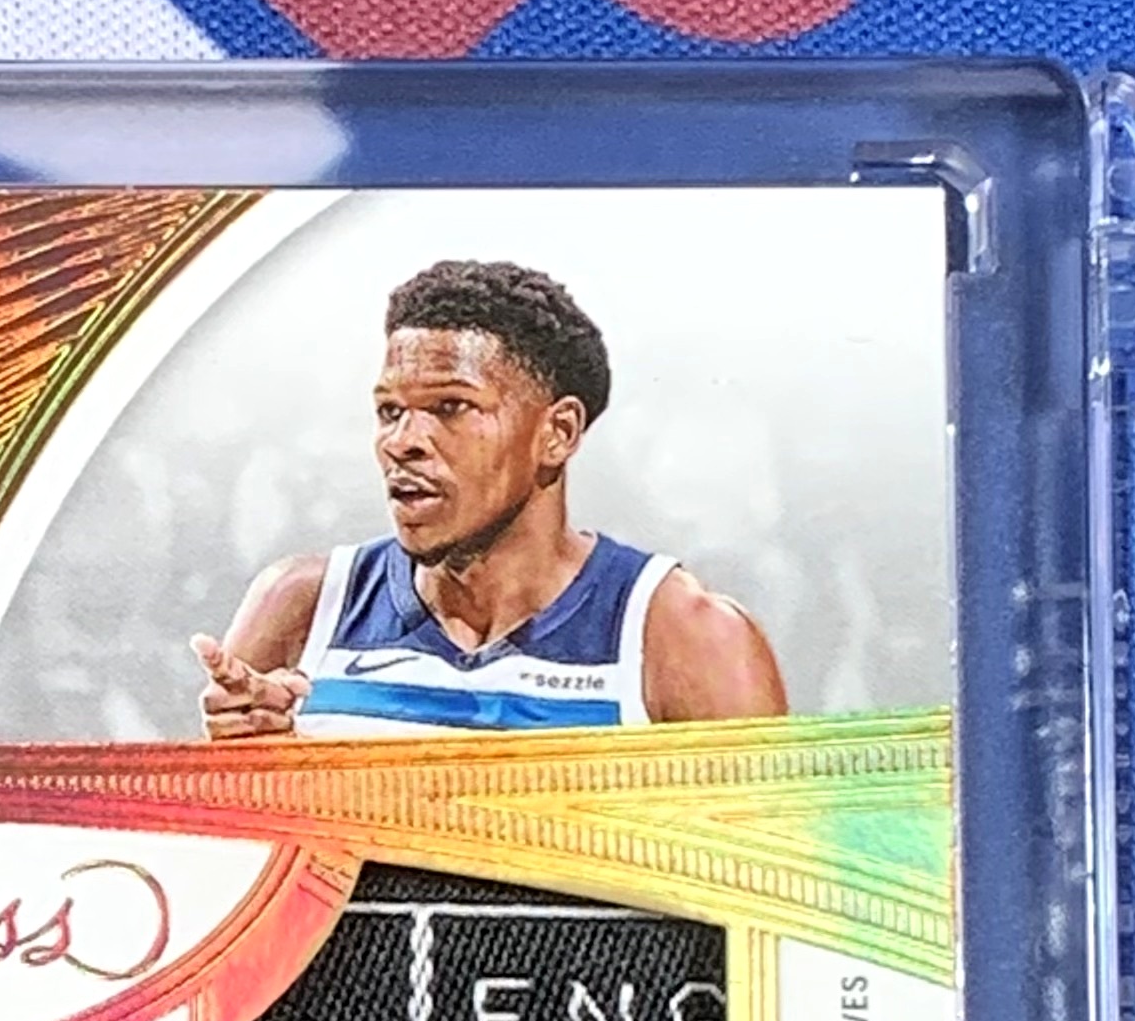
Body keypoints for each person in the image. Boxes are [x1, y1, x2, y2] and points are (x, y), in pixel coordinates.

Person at [193, 258, 785, 738]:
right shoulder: (302, 605)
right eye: (390, 411)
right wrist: (249, 764)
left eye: (451, 407)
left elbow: (771, 850)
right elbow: (212, 844)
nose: (402, 442)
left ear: (558, 433)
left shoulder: (685, 636)